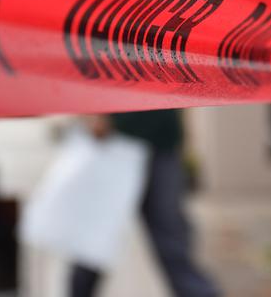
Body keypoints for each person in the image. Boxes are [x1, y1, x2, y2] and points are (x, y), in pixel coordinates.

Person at [70, 109, 219, 297]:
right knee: (95, 239)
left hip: (161, 144)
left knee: (170, 238)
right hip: (115, 145)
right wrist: (91, 118)